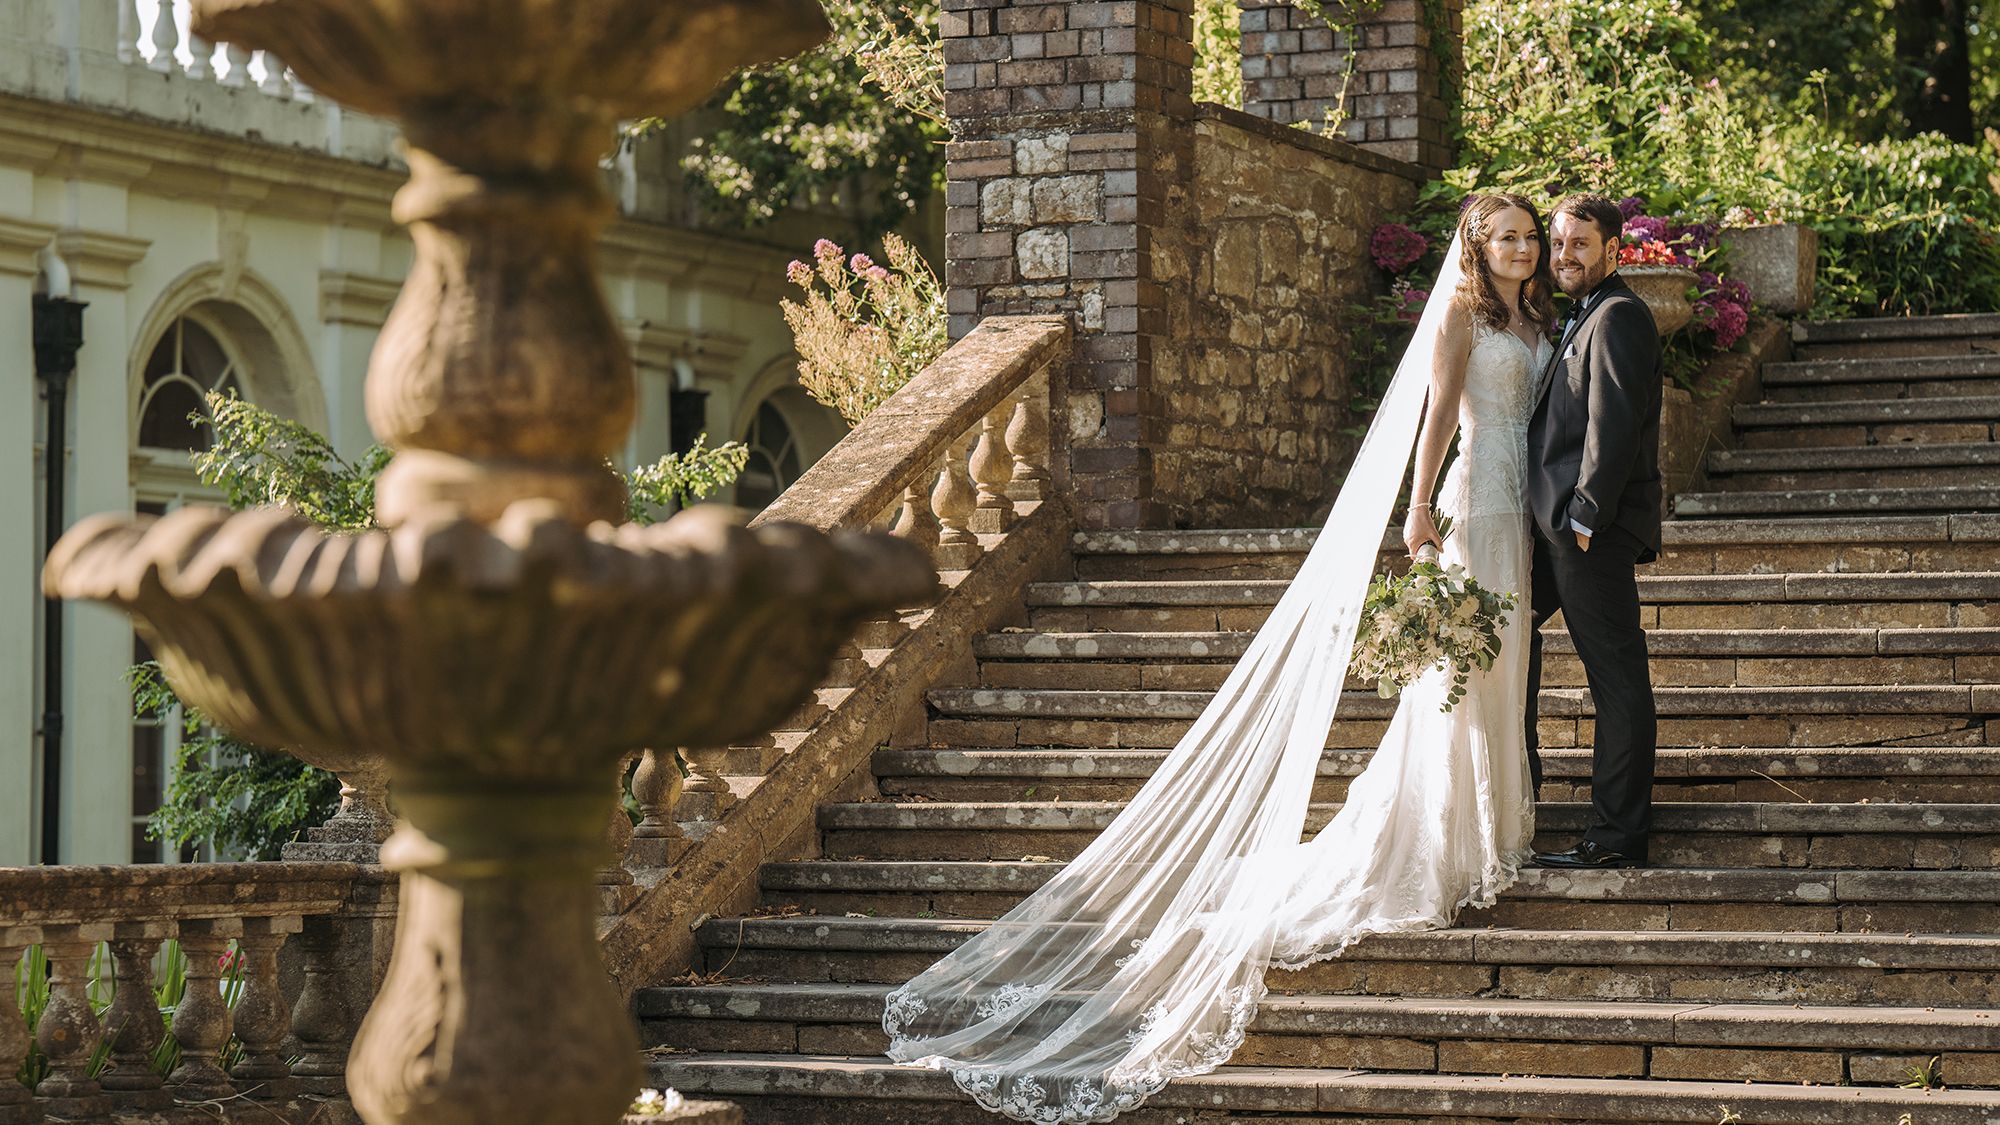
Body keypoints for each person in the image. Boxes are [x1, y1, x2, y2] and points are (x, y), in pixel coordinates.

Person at [883, 194, 1567, 1124]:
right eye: (1508, 238)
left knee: (1500, 669)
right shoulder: (1459, 313)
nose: (1524, 249)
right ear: (1477, 248)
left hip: (1522, 513)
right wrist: (1416, 512)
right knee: (1456, 682)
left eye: (1529, 237)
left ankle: (1494, 830)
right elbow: (1439, 412)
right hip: (1473, 502)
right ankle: (1443, 846)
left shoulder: (1537, 318)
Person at [1523, 192, 1664, 870]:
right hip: (1557, 528)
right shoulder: (1584, 314)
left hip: (1589, 531)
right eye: (1558, 243)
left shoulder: (1619, 316)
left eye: (1579, 243)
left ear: (1613, 249)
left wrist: (1584, 517)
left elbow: (1616, 423)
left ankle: (1616, 837)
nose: (1564, 255)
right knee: (1509, 631)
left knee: (1616, 679)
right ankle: (1517, 789)